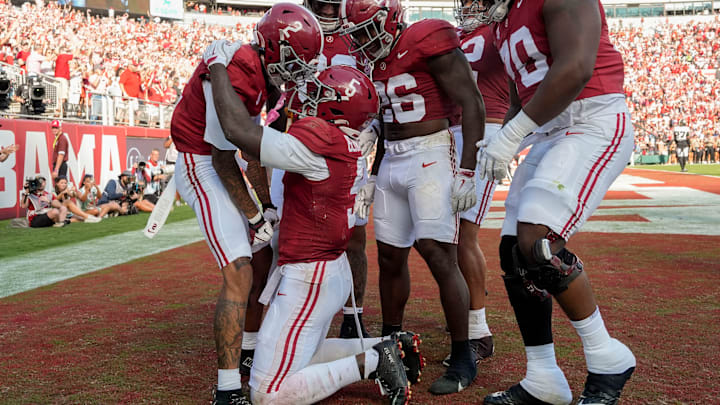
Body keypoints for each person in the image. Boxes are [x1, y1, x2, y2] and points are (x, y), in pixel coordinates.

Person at [209, 47, 418, 404]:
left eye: (320, 95)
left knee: (267, 394)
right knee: (297, 355)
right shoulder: (346, 142)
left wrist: (215, 65)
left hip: (311, 275)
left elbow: (236, 130)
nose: (309, 99)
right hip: (328, 270)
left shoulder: (318, 146)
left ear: (338, 108)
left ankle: (372, 361)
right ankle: (384, 347)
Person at [474, 1, 636, 404]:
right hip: (549, 131)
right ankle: (543, 377)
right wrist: (504, 137)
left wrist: (512, 138)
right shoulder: (505, 19)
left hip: (590, 119)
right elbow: (523, 94)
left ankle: (607, 357)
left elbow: (576, 69)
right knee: (513, 250)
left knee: (538, 241)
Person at [169, 4, 324, 404]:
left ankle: (250, 349)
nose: (300, 69)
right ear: (274, 49)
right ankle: (227, 390)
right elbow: (223, 157)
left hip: (220, 159)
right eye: (296, 59)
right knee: (239, 269)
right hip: (198, 161)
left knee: (262, 256)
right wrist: (255, 216)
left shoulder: (259, 75)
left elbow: (252, 150)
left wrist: (265, 206)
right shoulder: (237, 70)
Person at [341, 0, 486, 394]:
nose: (363, 40)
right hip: (392, 162)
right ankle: (393, 345)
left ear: (390, 19)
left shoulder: (426, 37)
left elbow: (473, 100)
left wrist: (468, 169)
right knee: (388, 256)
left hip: (431, 154)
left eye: (368, 30)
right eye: (357, 33)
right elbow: (386, 127)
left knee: (438, 253)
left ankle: (463, 353)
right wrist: (372, 175)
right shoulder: (374, 64)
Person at [273, 0, 372, 340]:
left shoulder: (360, 36)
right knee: (281, 233)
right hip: (298, 140)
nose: (328, 13)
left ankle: (353, 315)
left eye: (334, 6)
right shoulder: (295, 30)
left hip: (343, 144)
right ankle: (282, 310)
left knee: (352, 237)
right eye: (322, 6)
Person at [434, 0, 512, 368]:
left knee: (466, 233)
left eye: (476, 1)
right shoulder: (460, 35)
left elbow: (524, 82)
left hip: (484, 130)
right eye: (465, 2)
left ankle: (480, 330)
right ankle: (466, 313)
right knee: (443, 232)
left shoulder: (503, 31)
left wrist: (509, 138)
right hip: (450, 134)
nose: (468, 7)